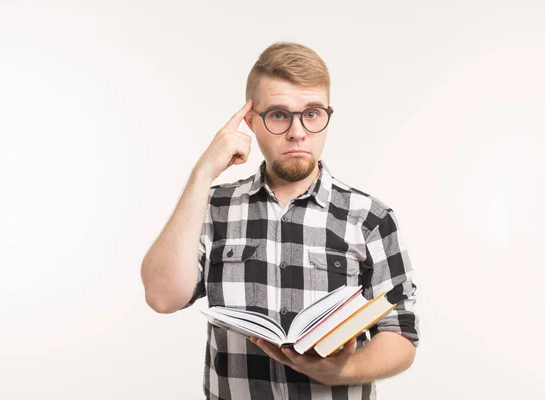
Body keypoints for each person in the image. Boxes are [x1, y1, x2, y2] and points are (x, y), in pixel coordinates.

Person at [141, 41, 420, 400]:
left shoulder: (371, 218)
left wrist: (341, 372)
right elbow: (163, 297)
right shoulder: (212, 208)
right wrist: (202, 174)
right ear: (250, 121)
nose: (297, 132)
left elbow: (401, 335)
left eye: (312, 113)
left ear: (327, 116)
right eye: (278, 115)